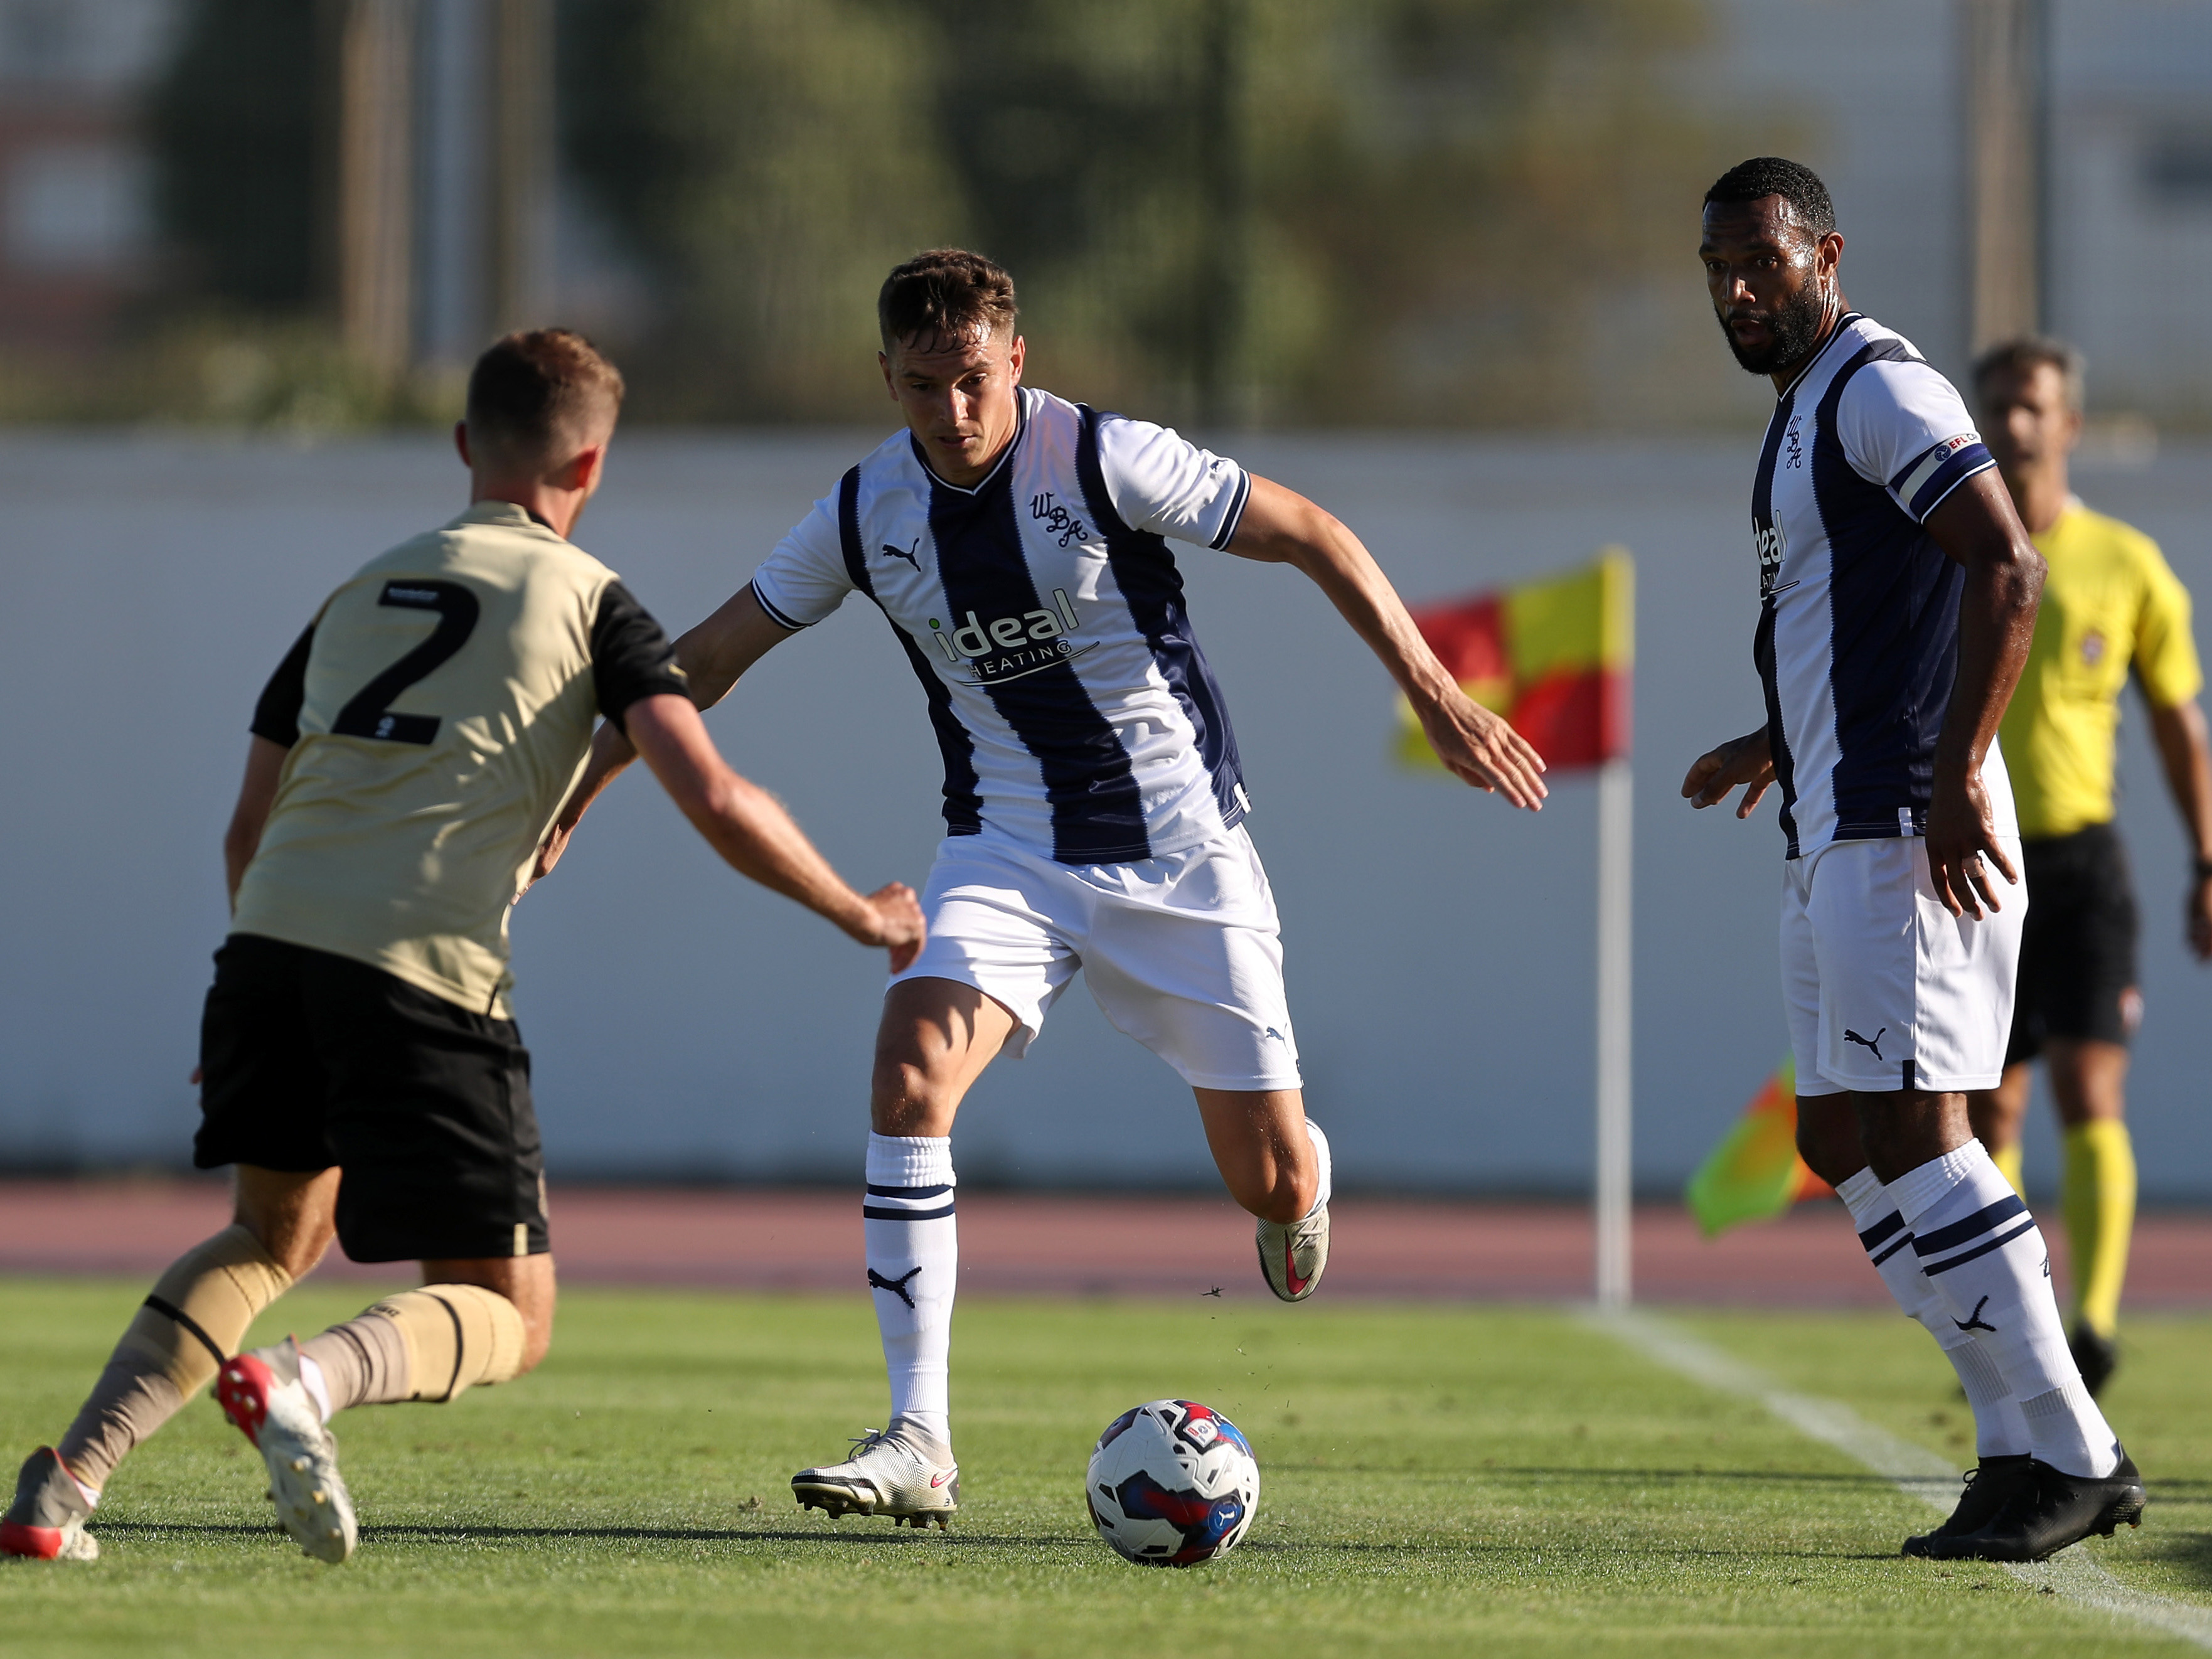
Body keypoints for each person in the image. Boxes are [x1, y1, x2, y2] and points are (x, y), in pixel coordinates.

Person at [538, 248, 1548, 1529]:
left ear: (1015, 359)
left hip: (1184, 855)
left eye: (971, 381)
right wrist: (583, 781)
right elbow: (707, 658)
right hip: (1004, 851)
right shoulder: (864, 511)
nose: (951, 417)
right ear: (887, 380)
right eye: (920, 390)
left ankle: (1305, 1183)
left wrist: (1434, 687)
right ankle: (919, 1439)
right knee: (908, 1065)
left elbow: (1310, 532)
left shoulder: (1104, 460)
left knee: (1271, 1183)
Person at [0, 330, 923, 1566]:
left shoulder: (355, 593)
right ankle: (304, 1380)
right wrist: (861, 910)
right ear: (589, 461)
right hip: (422, 969)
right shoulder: (593, 598)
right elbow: (709, 790)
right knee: (507, 1309)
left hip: (268, 947)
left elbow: (246, 825)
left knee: (270, 1234)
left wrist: (260, 994)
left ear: (461, 447)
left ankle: (63, 1482)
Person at [1680, 158, 2144, 1563]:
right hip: (1828, 814)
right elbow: (1873, 620)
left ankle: (2069, 1446)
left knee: (1928, 1132)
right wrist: (1775, 734)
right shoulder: (1799, 414)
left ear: (1826, 252)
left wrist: (1949, 777)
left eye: (1762, 261)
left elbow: (2006, 567)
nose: (1739, 289)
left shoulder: (1879, 385)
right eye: (1716, 268)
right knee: (1839, 1139)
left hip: (1900, 822)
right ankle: (2011, 1443)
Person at [1962, 337, 2212, 1399]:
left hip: (2081, 862)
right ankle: (2024, 1311)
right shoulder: (1950, 550)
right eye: (1998, 407)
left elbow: (2176, 725)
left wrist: (2207, 859)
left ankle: (2095, 1321)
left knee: (2087, 1088)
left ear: (2067, 424)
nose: (2013, 425)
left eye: (2033, 407)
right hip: (1976, 853)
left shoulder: (2125, 562)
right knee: (1990, 1114)